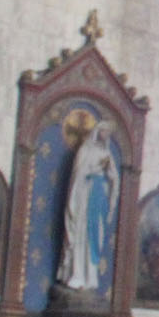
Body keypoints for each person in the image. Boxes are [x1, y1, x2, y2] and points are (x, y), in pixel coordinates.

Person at [56, 116, 119, 295]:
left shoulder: (107, 154)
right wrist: (92, 171)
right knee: (80, 235)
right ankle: (77, 274)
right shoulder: (85, 150)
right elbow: (78, 174)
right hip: (84, 196)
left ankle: (91, 277)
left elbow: (114, 177)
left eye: (108, 132)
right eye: (103, 130)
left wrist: (109, 179)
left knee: (95, 236)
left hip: (98, 198)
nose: (106, 134)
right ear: (97, 132)